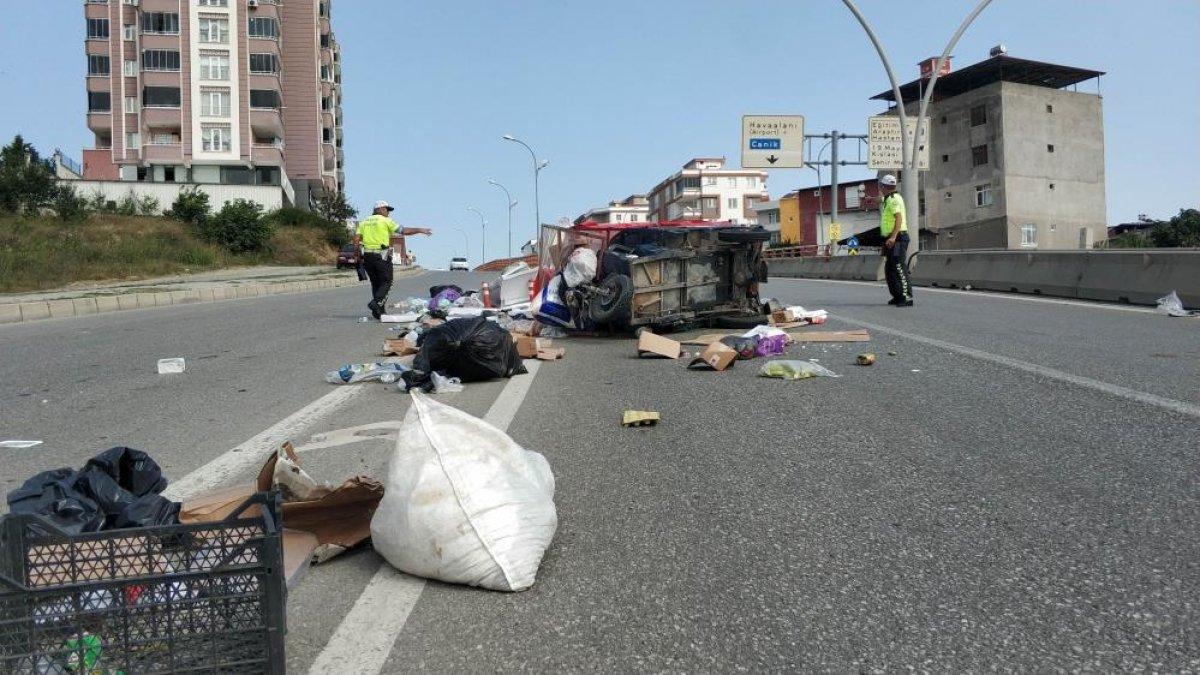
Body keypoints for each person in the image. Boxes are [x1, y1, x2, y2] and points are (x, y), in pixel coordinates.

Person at [353, 200, 432, 320]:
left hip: (368, 256)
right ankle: (376, 303)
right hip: (382, 255)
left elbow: (356, 239)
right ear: (379, 209)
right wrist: (420, 230)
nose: (388, 212)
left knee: (376, 284)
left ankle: (379, 312)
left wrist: (357, 254)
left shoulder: (363, 222)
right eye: (386, 209)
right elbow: (404, 231)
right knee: (387, 282)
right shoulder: (385, 221)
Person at [878, 175, 913, 306]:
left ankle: (907, 297)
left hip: (897, 238)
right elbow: (882, 199)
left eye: (881, 186)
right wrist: (876, 200)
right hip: (891, 238)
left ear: (884, 187)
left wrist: (893, 237)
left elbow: (898, 218)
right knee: (890, 268)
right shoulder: (889, 198)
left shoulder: (893, 200)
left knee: (898, 267)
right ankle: (898, 295)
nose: (880, 188)